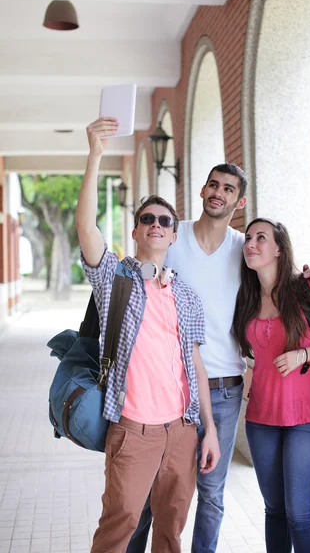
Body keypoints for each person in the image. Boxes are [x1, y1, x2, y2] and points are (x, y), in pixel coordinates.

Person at [128, 163, 310, 553]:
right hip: (171, 388)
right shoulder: (173, 233)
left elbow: (274, 275)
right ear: (202, 191)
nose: (220, 193)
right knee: (152, 493)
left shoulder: (244, 247)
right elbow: (138, 269)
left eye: (229, 189)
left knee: (212, 495)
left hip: (226, 389)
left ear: (240, 200)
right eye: (214, 185)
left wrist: (305, 279)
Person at [76, 116, 220, 553]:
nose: (156, 224)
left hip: (182, 431)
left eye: (164, 220)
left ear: (173, 234)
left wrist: (209, 429)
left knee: (170, 536)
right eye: (147, 218)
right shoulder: (116, 279)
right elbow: (86, 228)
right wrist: (95, 155)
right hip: (132, 430)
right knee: (117, 531)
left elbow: (195, 364)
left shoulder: (186, 295)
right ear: (137, 230)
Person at [232, 218, 310, 553]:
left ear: (278, 249)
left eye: (261, 237)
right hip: (259, 420)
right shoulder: (244, 298)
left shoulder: (308, 290)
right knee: (275, 512)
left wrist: (304, 354)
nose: (251, 244)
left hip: (305, 420)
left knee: (300, 515)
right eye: (248, 238)